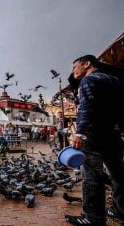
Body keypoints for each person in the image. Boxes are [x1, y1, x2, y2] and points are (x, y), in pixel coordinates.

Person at [65, 55, 124, 225]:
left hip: (94, 136)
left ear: (87, 64)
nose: (74, 71)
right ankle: (120, 212)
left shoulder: (89, 80)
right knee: (118, 175)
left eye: (75, 67)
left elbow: (86, 107)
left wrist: (80, 133)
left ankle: (93, 218)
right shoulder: (116, 81)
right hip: (113, 135)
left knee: (92, 176)